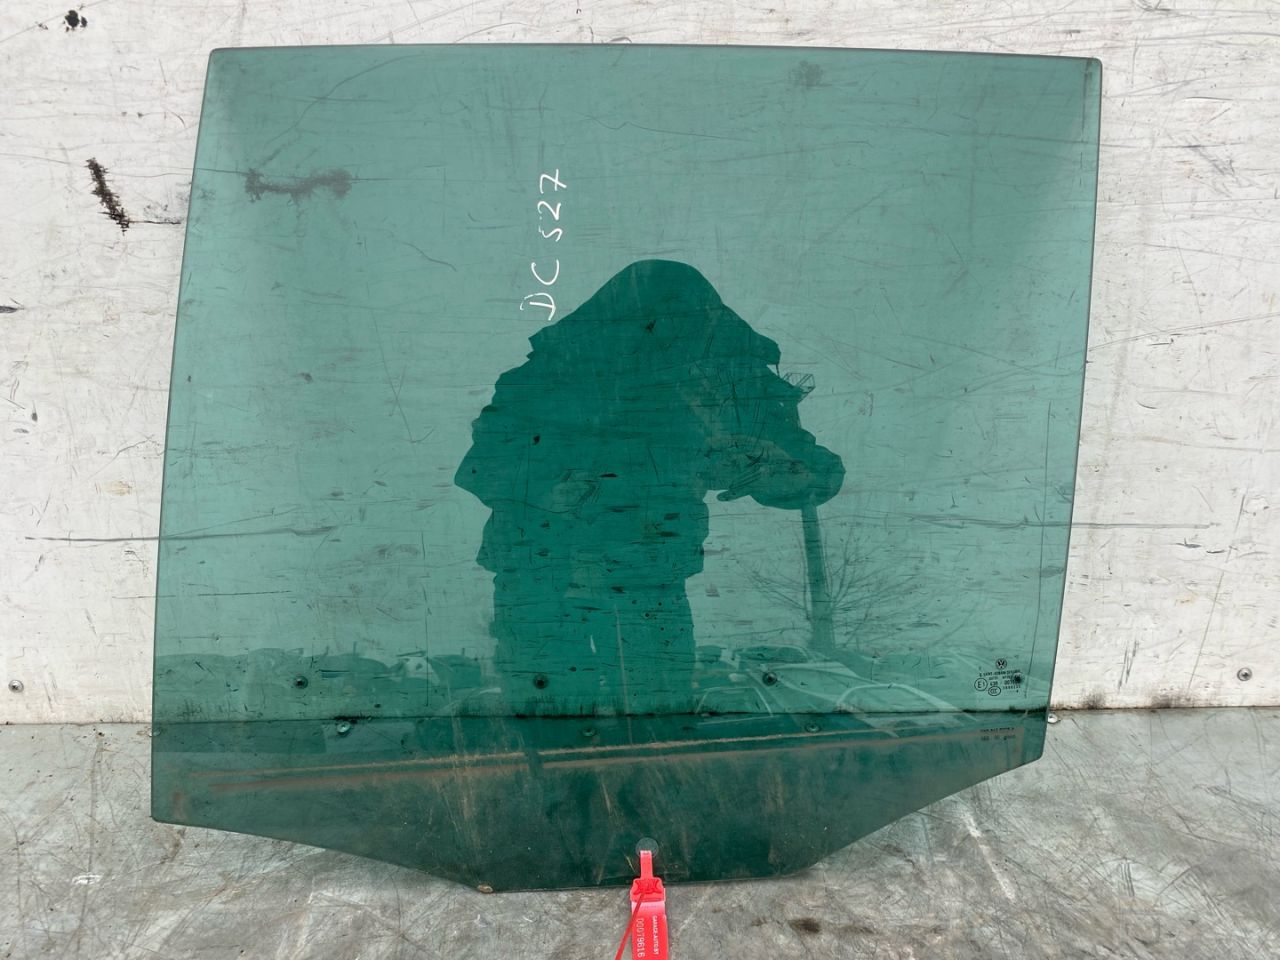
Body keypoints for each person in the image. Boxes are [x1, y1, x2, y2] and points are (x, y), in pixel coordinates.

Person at [456, 260, 844, 716]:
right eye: (653, 325)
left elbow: (817, 470)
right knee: (551, 724)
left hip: (647, 582)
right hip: (541, 581)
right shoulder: (546, 376)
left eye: (683, 325)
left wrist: (779, 467)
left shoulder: (727, 379)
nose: (668, 338)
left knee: (657, 723)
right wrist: (544, 491)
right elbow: (484, 463)